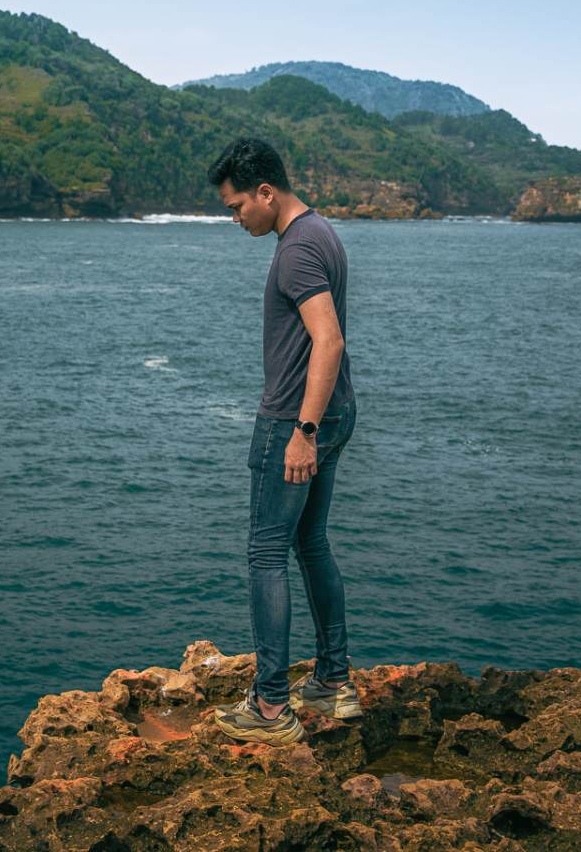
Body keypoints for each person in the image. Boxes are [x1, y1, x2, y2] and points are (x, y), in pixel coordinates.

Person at [205, 137, 364, 746]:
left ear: (266, 192)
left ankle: (271, 706)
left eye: (237, 205)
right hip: (336, 411)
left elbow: (329, 339)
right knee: (311, 543)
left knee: (266, 552)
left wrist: (303, 432)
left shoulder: (295, 250)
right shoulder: (321, 232)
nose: (235, 218)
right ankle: (332, 681)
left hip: (297, 420)